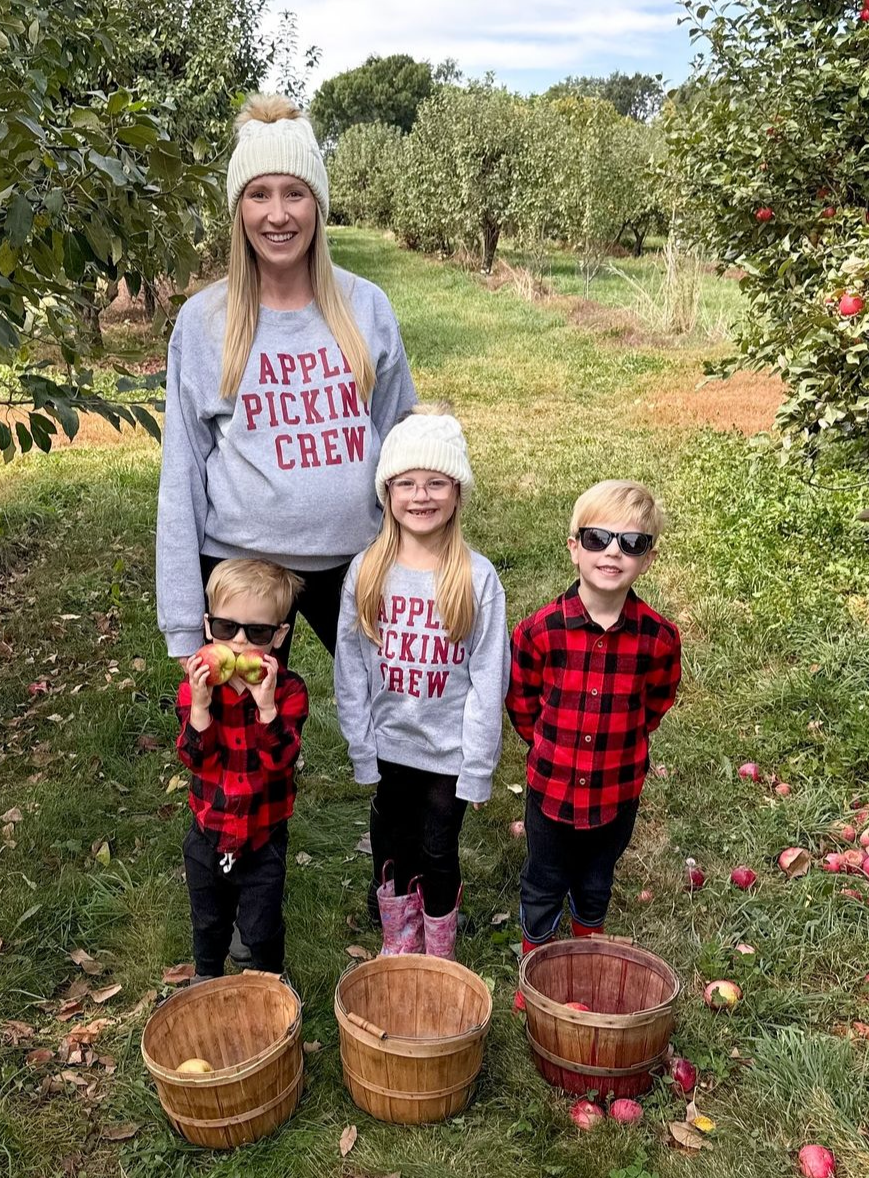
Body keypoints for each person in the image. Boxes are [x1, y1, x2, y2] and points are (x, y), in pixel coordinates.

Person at [156, 93, 418, 668]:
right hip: (241, 573)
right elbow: (181, 476)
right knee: (242, 748)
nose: (278, 215)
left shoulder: (365, 306)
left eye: (294, 193)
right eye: (259, 195)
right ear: (239, 209)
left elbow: (404, 444)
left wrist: (422, 562)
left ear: (317, 205)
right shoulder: (204, 323)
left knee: (398, 713)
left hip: (359, 558)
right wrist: (183, 626)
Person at [335, 404, 508, 959]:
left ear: (457, 491)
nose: (421, 495)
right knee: (392, 844)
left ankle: (439, 949)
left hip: (449, 752)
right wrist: (362, 746)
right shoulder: (367, 572)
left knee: (437, 849)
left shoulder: (476, 578)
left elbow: (487, 679)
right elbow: (351, 667)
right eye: (406, 483)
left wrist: (478, 767)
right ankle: (399, 940)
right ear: (387, 493)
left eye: (436, 482)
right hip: (391, 745)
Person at [505, 480, 681, 976]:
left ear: (647, 559)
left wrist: (620, 743)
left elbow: (656, 702)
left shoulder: (659, 639)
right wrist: (546, 743)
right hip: (551, 790)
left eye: (632, 543)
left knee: (596, 880)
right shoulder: (539, 630)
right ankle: (534, 966)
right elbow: (522, 702)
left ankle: (585, 952)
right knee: (542, 879)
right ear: (574, 549)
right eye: (598, 538)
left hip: (615, 791)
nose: (612, 552)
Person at [175, 559, 308, 980]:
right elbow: (196, 759)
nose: (239, 644)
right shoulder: (198, 685)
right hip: (209, 826)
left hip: (262, 831)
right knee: (208, 915)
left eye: (259, 633)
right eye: (227, 628)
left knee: (261, 922)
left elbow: (281, 761)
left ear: (280, 635)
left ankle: (270, 976)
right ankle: (207, 974)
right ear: (208, 626)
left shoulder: (288, 691)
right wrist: (199, 707)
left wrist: (265, 707)